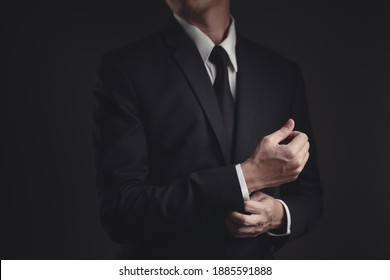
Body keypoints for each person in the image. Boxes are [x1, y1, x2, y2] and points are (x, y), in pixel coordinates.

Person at [92, 0, 323, 259]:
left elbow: (309, 196)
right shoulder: (125, 69)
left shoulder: (281, 73)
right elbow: (121, 212)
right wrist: (246, 177)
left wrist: (278, 215)